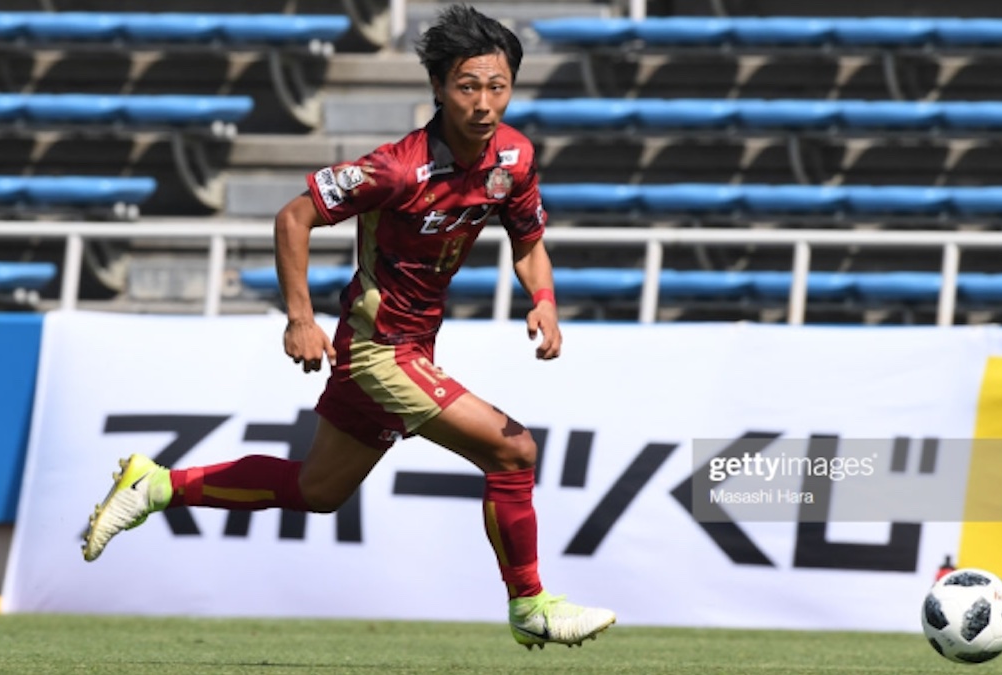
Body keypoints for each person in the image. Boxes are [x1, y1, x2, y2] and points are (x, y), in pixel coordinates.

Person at [81, 4, 615, 649]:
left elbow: (528, 242)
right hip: (377, 349)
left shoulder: (514, 157)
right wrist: (299, 319)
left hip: (412, 344)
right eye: (466, 86)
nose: (482, 102)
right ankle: (530, 606)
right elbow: (292, 218)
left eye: (496, 86)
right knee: (513, 450)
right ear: (439, 89)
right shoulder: (394, 169)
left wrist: (545, 300)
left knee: (318, 489)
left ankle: (155, 485)